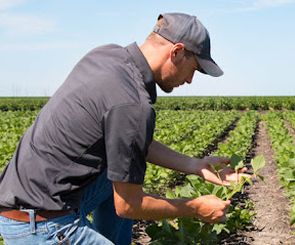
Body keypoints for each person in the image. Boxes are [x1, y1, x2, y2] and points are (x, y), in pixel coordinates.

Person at [0, 13, 247, 245]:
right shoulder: (133, 104)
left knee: (113, 175)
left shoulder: (107, 56)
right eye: (194, 69)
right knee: (125, 189)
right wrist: (195, 207)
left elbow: (128, 142)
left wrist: (195, 165)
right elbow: (128, 206)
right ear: (177, 52)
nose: (190, 80)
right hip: (41, 223)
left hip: (24, 197)